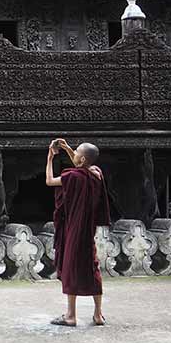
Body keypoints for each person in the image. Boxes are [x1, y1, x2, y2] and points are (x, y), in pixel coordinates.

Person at [45, 138, 111, 327]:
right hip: (88, 229)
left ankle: (71, 315)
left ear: (82, 160)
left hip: (74, 228)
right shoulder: (97, 173)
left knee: (70, 269)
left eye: (76, 152)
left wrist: (50, 158)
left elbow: (49, 181)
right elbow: (81, 161)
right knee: (92, 267)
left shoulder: (72, 176)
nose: (74, 154)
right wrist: (66, 148)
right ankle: (98, 314)